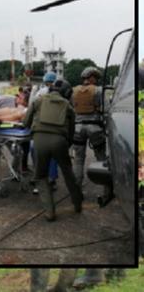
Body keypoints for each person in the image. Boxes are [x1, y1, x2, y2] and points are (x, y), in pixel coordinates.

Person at [23, 80, 82, 221]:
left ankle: (50, 212)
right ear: (67, 93)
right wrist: (65, 145)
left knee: (40, 176)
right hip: (60, 142)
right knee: (68, 173)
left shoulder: (38, 101)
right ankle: (78, 204)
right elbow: (72, 132)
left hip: (39, 141)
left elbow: (26, 122)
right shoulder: (68, 106)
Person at [71, 67, 106, 186]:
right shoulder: (99, 90)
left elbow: (72, 109)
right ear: (91, 77)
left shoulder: (74, 90)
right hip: (95, 128)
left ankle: (77, 190)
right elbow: (106, 109)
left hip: (77, 128)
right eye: (95, 78)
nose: (96, 80)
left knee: (78, 160)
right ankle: (107, 190)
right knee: (102, 159)